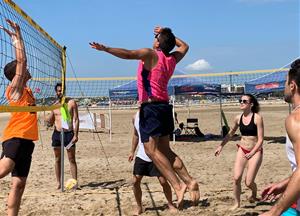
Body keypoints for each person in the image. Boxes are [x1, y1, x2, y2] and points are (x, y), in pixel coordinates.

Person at [90, 26, 200, 207]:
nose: (153, 38)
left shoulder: (151, 54)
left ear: (158, 42)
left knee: (150, 150)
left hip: (151, 108)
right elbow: (185, 46)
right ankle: (189, 181)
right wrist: (167, 33)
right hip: (165, 108)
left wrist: (106, 49)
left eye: (156, 36)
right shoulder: (172, 58)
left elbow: (128, 54)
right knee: (166, 151)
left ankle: (178, 185)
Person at [0, 19, 38, 216]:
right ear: (16, 74)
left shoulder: (27, 90)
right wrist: (17, 39)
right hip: (15, 136)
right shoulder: (15, 90)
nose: (25, 69)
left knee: (19, 184)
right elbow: (22, 62)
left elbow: (23, 62)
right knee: (3, 170)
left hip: (27, 141)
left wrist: (19, 38)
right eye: (21, 69)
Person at [260, 59, 300, 216]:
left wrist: (274, 211)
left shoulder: (295, 120)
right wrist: (285, 184)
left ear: (292, 86)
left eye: (285, 82)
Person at [215, 94, 264, 210]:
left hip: (255, 151)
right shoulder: (238, 118)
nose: (241, 102)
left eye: (244, 101)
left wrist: (252, 153)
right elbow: (230, 134)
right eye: (240, 100)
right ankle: (237, 203)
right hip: (242, 149)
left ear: (251, 104)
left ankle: (254, 192)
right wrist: (220, 146)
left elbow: (261, 139)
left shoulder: (257, 118)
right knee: (236, 178)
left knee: (248, 182)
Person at [128, 111, 177, 215]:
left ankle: (170, 204)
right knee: (135, 181)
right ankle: (139, 207)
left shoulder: (154, 114)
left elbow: (164, 136)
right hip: (142, 155)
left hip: (156, 155)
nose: (141, 102)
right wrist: (132, 151)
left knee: (163, 182)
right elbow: (136, 135)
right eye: (140, 100)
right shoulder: (135, 117)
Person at [47, 83, 79, 189]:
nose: (60, 92)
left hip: (68, 135)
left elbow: (76, 119)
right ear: (56, 92)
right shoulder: (54, 104)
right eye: (58, 90)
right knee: (57, 159)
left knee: (72, 159)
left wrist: (76, 134)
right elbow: (50, 122)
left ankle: (75, 183)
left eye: (61, 90)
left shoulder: (72, 102)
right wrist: (47, 118)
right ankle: (58, 183)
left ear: (64, 91)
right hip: (57, 134)